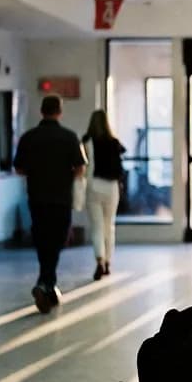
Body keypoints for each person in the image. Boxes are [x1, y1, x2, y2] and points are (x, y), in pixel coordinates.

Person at [14, 94, 86, 314]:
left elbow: (19, 168)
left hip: (37, 197)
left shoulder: (29, 137)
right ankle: (46, 283)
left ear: (41, 111)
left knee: (42, 239)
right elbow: (81, 168)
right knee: (56, 240)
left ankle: (46, 283)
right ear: (59, 111)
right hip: (61, 199)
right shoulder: (69, 137)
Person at [81, 109, 125, 281]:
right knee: (109, 226)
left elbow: (82, 166)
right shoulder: (114, 142)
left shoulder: (87, 141)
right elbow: (120, 168)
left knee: (97, 227)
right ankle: (108, 262)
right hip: (111, 187)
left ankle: (99, 259)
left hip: (94, 186)